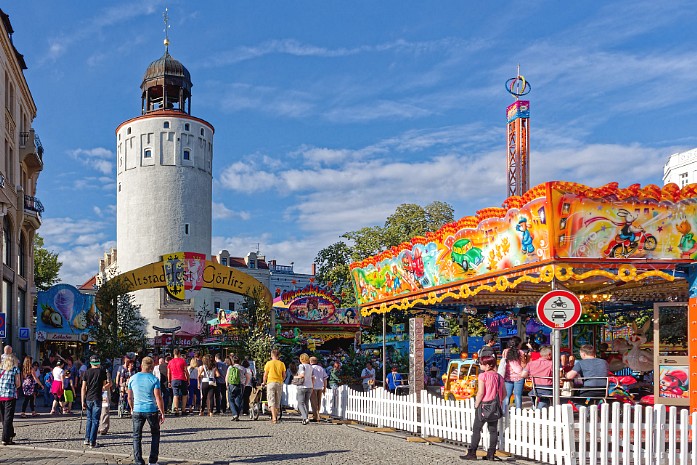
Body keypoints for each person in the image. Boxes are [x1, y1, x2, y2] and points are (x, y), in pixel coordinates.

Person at [462, 355, 505, 461]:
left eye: (481, 364)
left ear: (487, 365)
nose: (480, 365)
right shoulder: (499, 377)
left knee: (477, 429)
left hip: (484, 405)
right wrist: (498, 401)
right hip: (495, 406)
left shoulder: (483, 376)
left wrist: (476, 404)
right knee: (493, 431)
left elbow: (481, 392)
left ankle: (472, 453)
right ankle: (491, 454)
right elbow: (504, 393)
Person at [128, 356, 165, 465]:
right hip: (151, 409)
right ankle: (152, 461)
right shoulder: (154, 379)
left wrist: (131, 408)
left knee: (136, 436)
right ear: (152, 367)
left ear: (141, 366)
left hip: (137, 410)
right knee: (155, 434)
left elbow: (129, 397)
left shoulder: (133, 378)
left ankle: (138, 461)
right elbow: (158, 398)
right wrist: (162, 412)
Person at [81, 355, 111, 448]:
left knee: (89, 419)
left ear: (91, 363)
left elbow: (83, 388)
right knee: (95, 420)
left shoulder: (86, 372)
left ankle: (87, 439)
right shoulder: (102, 372)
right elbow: (104, 385)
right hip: (97, 398)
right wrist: (103, 388)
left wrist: (82, 401)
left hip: (89, 398)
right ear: (98, 363)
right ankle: (92, 441)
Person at [501, 336, 527, 410]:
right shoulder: (521, 352)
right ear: (518, 344)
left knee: (507, 395)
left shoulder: (505, 351)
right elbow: (523, 365)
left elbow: (504, 362)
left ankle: (504, 411)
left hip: (508, 376)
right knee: (518, 395)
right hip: (519, 376)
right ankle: (518, 411)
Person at [262, 349, 286, 424]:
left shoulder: (268, 363)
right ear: (278, 355)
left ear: (271, 355)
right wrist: (282, 380)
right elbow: (284, 375)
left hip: (270, 382)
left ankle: (274, 418)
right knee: (277, 400)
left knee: (271, 400)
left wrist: (264, 382)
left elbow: (265, 375)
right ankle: (275, 416)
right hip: (279, 382)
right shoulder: (281, 364)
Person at [0, 355, 19, 445]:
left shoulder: (1, 370)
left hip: (0, 396)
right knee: (8, 417)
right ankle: (5, 438)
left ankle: (10, 434)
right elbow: (18, 383)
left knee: (4, 417)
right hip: (10, 395)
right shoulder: (15, 370)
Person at [167, 348, 189, 416]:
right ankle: (183, 410)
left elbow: (168, 373)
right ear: (179, 353)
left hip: (174, 379)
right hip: (182, 379)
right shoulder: (183, 361)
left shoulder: (170, 362)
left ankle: (176, 411)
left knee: (175, 395)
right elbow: (186, 371)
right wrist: (188, 379)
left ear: (173, 353)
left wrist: (169, 381)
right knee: (184, 394)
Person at [295, 353, 314, 425]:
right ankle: (306, 417)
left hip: (302, 386)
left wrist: (295, 377)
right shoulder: (310, 366)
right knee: (306, 403)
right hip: (309, 386)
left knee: (300, 403)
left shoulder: (301, 366)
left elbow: (302, 375)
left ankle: (305, 418)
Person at [226, 356, 245, 421]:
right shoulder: (242, 368)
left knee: (231, 400)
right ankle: (237, 415)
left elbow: (227, 376)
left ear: (233, 361)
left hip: (231, 384)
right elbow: (244, 377)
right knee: (238, 400)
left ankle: (234, 414)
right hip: (240, 385)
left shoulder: (230, 367)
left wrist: (226, 384)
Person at [309, 357, 327, 422]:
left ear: (310, 361)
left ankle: (316, 416)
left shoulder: (310, 368)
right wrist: (325, 387)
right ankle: (317, 414)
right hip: (320, 386)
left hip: (313, 386)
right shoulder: (321, 368)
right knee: (319, 401)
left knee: (314, 402)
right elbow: (325, 379)